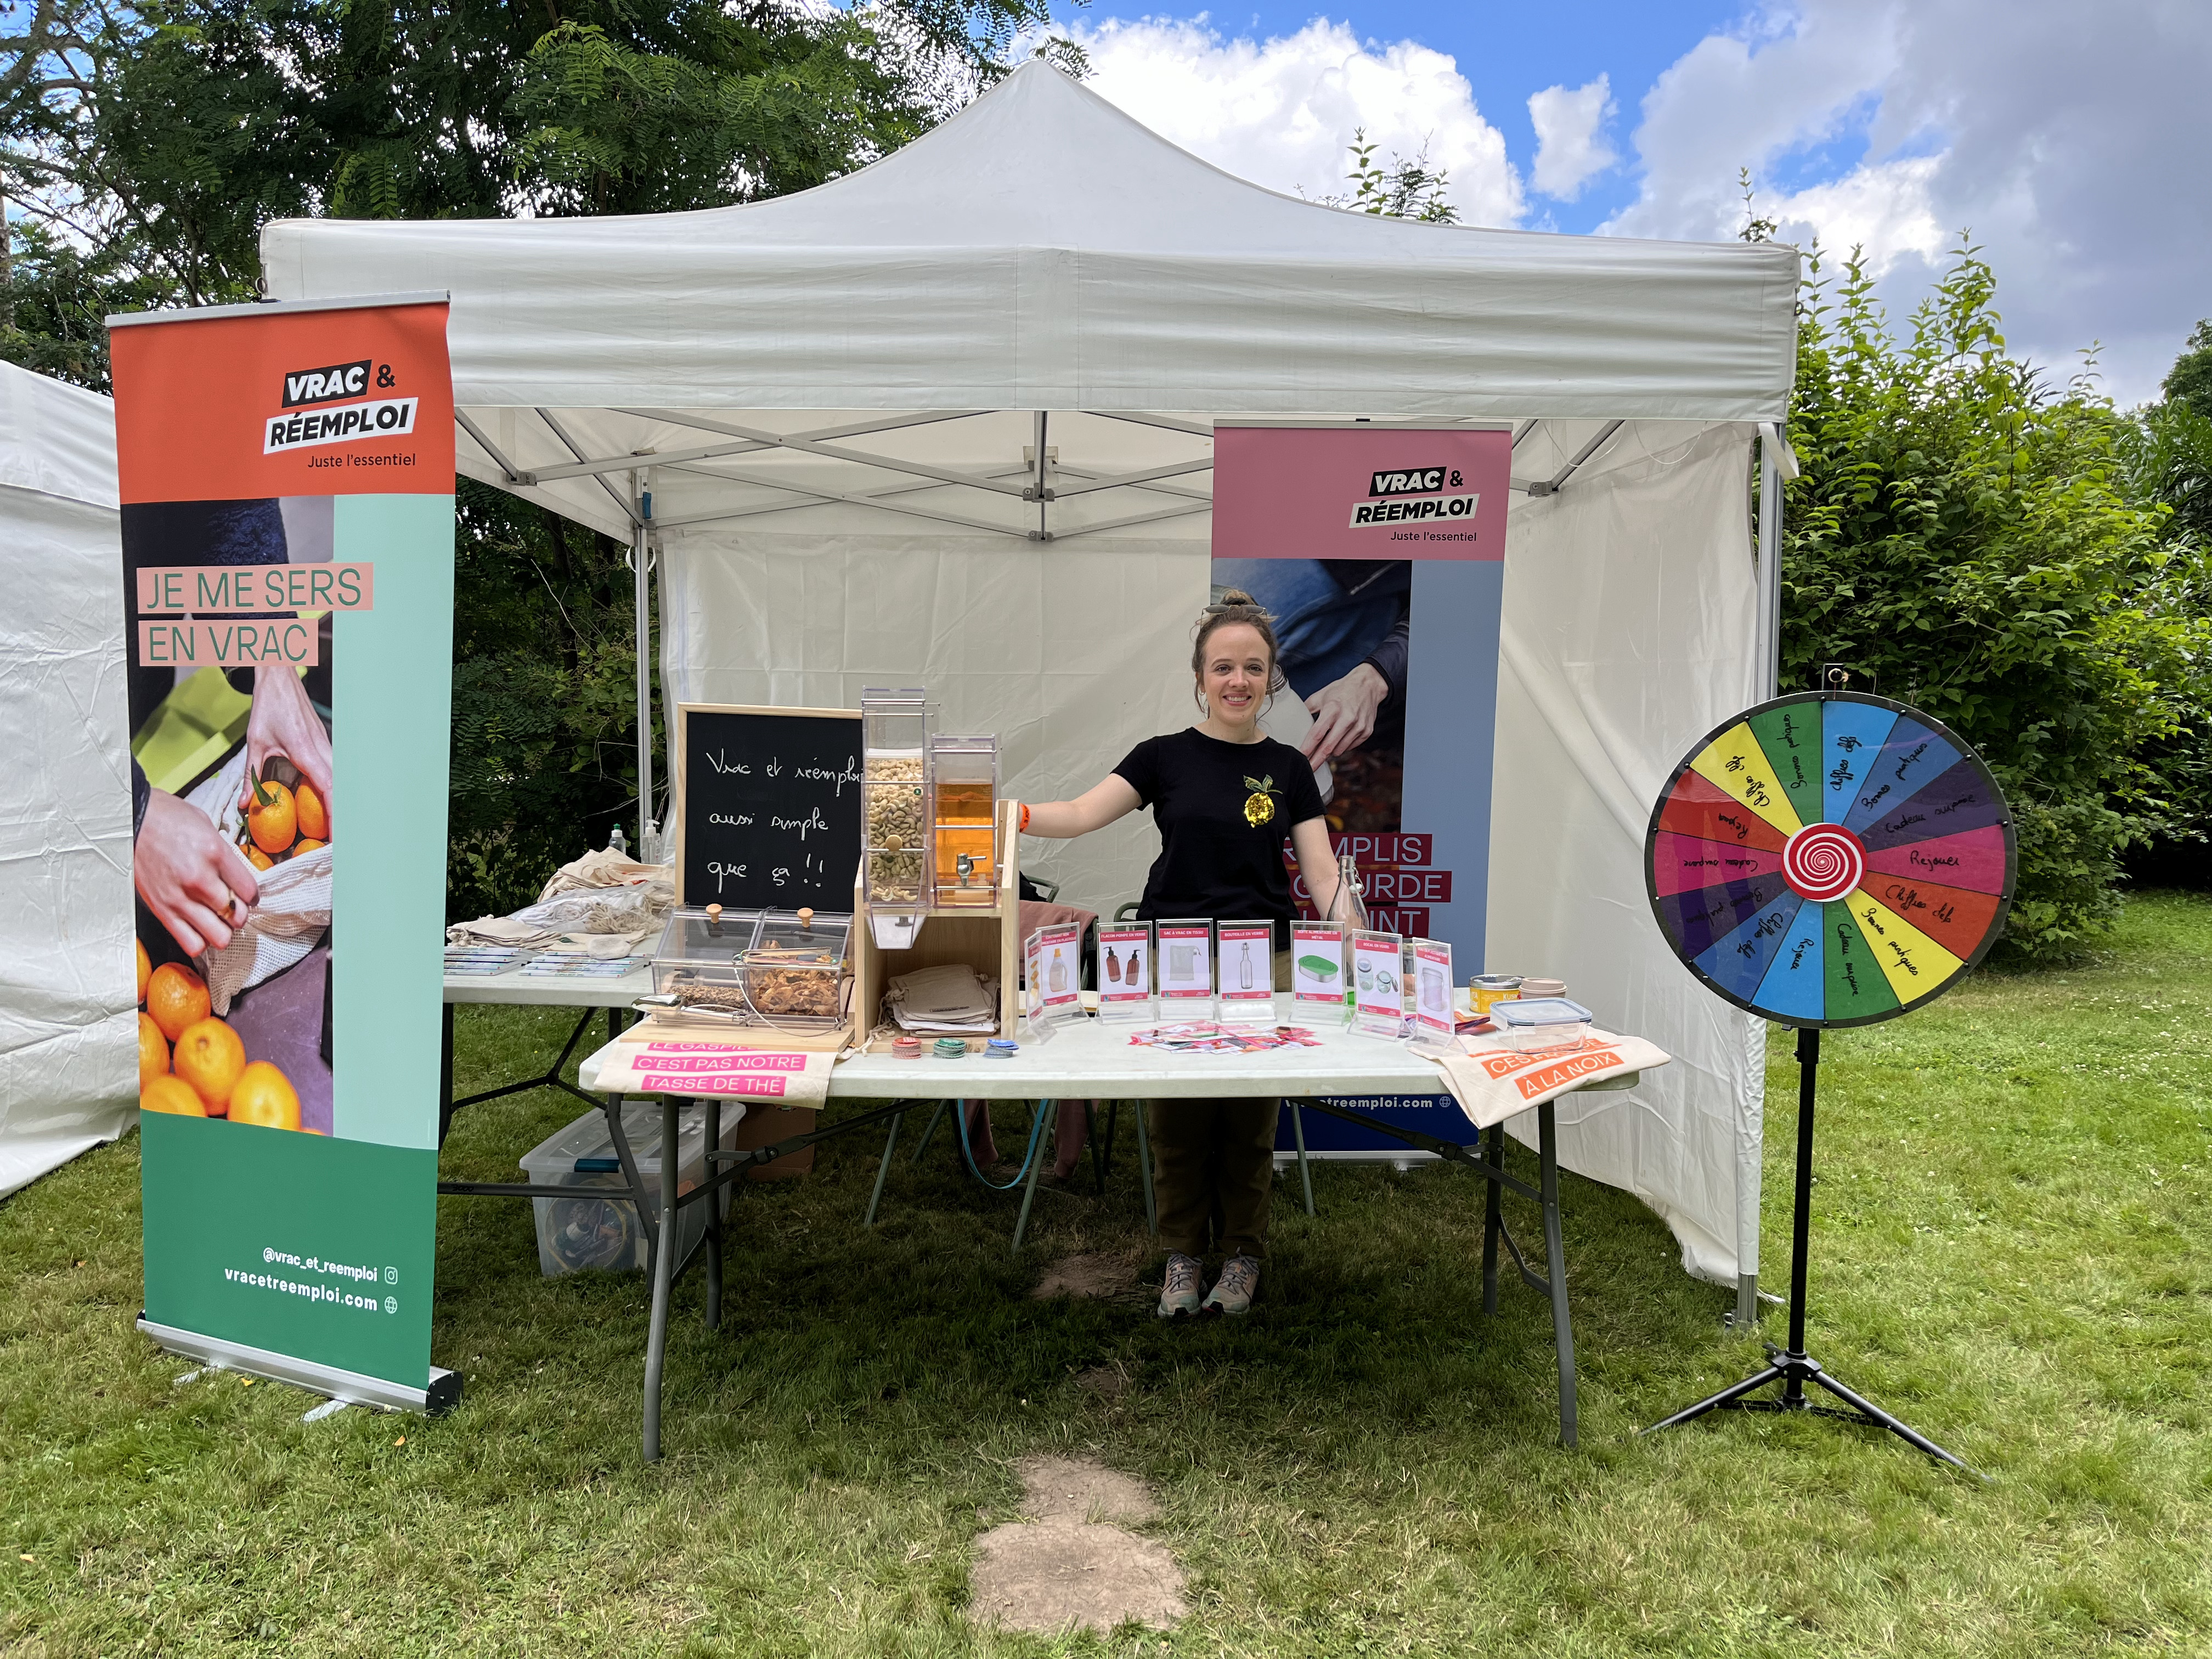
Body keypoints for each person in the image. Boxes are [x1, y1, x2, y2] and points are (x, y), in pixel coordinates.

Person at [1017, 590, 1340, 1316]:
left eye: (1253, 667)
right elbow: (1081, 813)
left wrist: (1359, 937)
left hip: (1264, 963)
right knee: (1178, 1119)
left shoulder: (1289, 767)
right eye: (1223, 667)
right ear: (1199, 676)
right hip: (1173, 961)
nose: (1238, 680)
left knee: (1249, 1121)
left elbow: (1321, 875)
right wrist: (1012, 814)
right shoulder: (1162, 757)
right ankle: (1184, 1256)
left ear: (1270, 677)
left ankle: (1243, 1258)